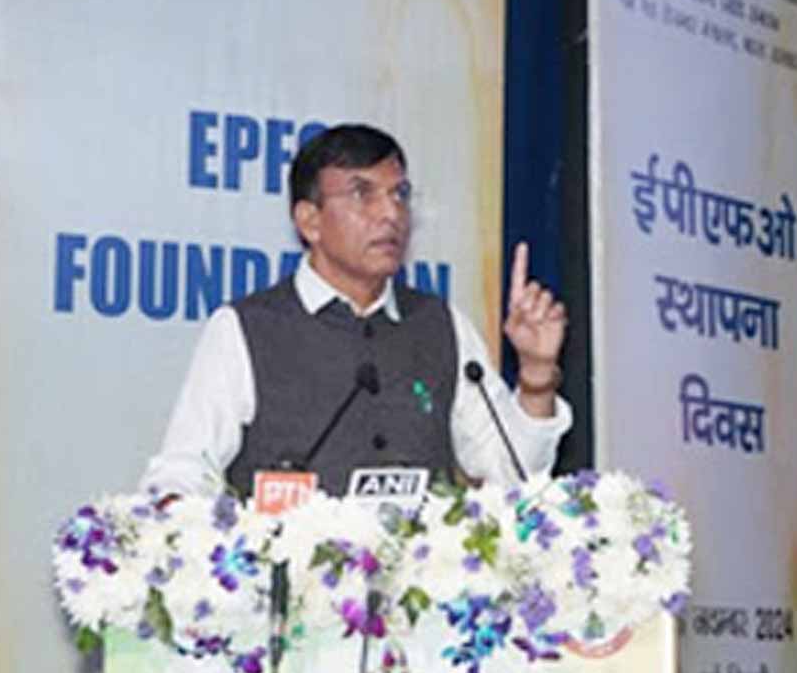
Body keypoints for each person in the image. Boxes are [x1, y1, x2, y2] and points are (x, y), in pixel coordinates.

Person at [141, 124, 571, 499]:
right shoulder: (246, 328)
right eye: (362, 194)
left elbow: (512, 475)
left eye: (399, 194)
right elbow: (183, 472)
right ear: (310, 221)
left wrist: (536, 375)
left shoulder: (441, 325)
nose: (391, 213)